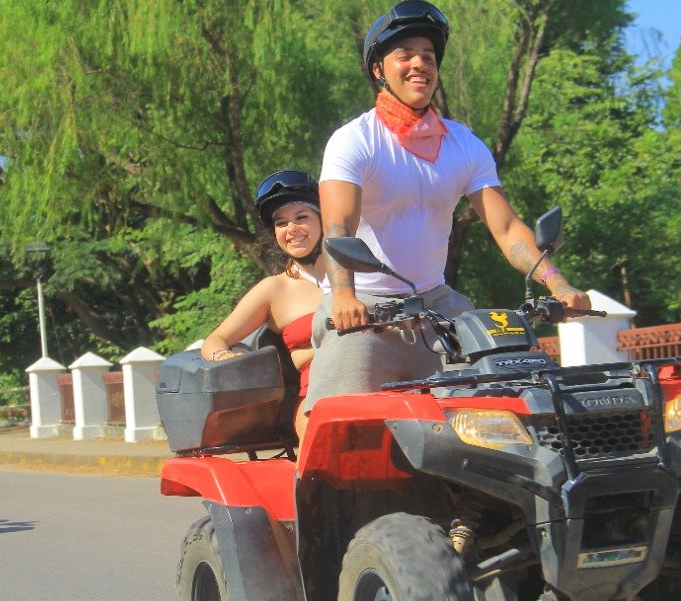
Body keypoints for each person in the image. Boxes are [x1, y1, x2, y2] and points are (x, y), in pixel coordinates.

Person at [304, 0, 590, 417]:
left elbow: (507, 227)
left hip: (435, 304)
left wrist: (557, 283)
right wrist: (345, 294)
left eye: (429, 56)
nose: (419, 63)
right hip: (364, 305)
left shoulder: (465, 145)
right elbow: (338, 225)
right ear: (379, 70)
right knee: (338, 419)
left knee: (508, 390)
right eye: (405, 55)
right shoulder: (354, 140)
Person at [200, 170, 325, 441]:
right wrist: (227, 357)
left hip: (379, 388)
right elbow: (215, 340)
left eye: (302, 217)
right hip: (319, 399)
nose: (291, 230)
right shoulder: (274, 289)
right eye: (281, 223)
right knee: (322, 453)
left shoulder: (361, 276)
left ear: (324, 221)